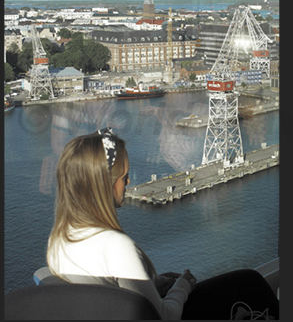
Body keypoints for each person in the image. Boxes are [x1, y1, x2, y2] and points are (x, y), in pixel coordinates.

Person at [46, 128, 278, 320]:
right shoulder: (114, 245)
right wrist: (183, 285)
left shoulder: (58, 239)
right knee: (249, 283)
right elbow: (165, 317)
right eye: (123, 177)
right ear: (102, 185)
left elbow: (113, 292)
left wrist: (153, 283)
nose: (128, 182)